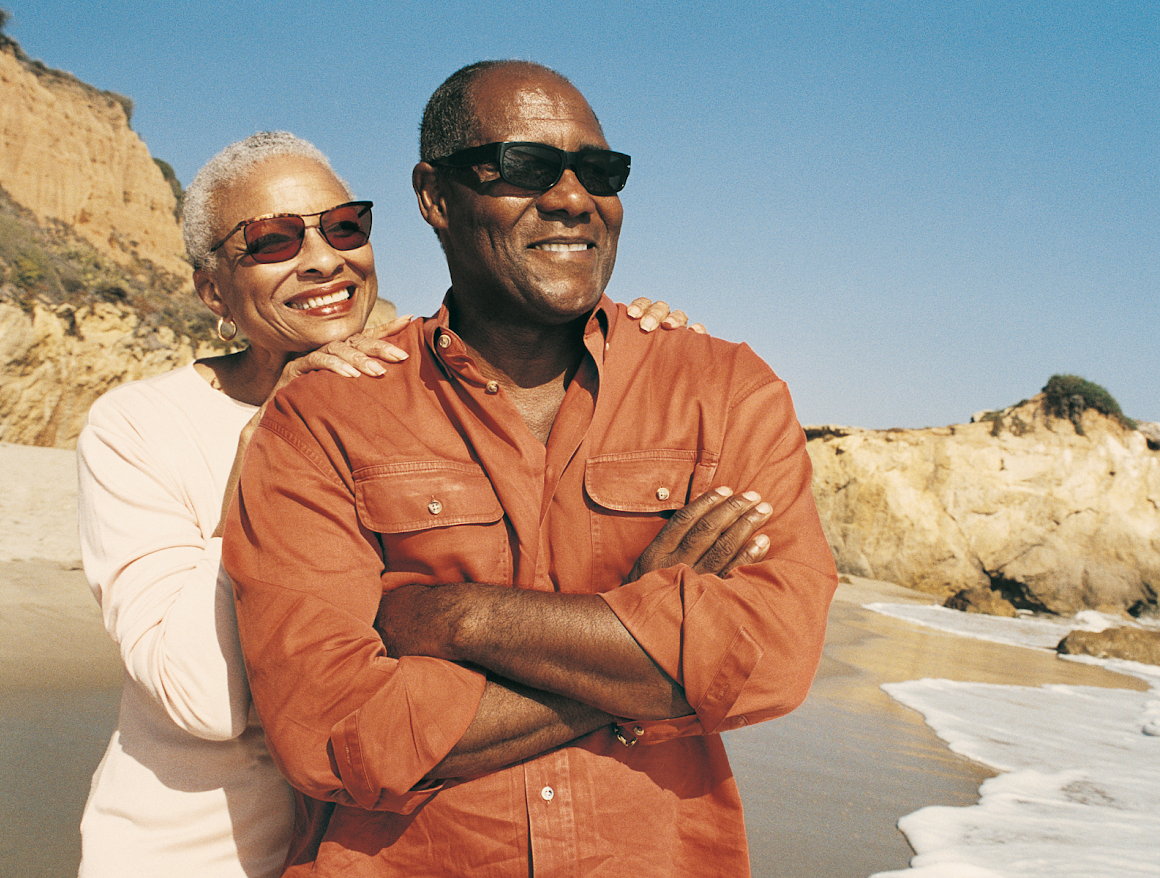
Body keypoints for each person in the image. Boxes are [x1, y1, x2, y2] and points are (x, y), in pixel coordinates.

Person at [225, 61, 837, 876]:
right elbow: (332, 731)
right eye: (526, 167)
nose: (574, 198)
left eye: (601, 172)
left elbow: (768, 660)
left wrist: (455, 619)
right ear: (434, 196)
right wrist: (648, 650)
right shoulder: (324, 418)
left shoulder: (723, 391)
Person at [75, 129, 705, 878]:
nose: (322, 257)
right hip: (193, 852)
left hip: (363, 851)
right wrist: (271, 449)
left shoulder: (423, 390)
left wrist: (627, 343)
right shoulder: (139, 427)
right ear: (213, 290)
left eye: (344, 227)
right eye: (272, 240)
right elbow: (202, 699)